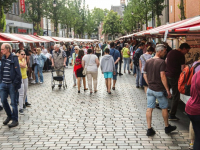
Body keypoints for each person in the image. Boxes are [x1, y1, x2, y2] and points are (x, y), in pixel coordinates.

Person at [143, 44, 177, 136]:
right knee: (164, 107)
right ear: (160, 51)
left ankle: (149, 129)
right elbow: (162, 76)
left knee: (149, 108)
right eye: (165, 51)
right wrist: (167, 90)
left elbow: (144, 74)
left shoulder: (148, 61)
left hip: (150, 89)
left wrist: (149, 83)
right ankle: (167, 127)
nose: (165, 53)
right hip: (159, 90)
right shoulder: (162, 62)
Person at [166, 43, 191, 120]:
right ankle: (172, 115)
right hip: (175, 77)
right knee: (176, 96)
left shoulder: (170, 52)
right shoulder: (181, 55)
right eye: (186, 51)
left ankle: (165, 109)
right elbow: (182, 69)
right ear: (183, 48)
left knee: (168, 93)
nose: (186, 52)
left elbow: (166, 61)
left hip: (168, 75)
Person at [0, 43, 22, 128]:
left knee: (13, 103)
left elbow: (18, 73)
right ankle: (9, 115)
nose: (1, 51)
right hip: (3, 83)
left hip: (11, 84)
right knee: (3, 101)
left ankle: (15, 120)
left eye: (2, 49)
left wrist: (14, 84)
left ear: (8, 49)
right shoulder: (3, 58)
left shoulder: (14, 58)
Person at [185, 70, 200, 150]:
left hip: (191, 108)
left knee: (198, 137)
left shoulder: (197, 73)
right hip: (198, 110)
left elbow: (191, 91)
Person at [18, 50, 28, 115]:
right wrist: (24, 59)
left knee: (25, 92)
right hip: (20, 78)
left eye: (24, 54)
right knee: (21, 93)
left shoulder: (23, 60)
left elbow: (25, 67)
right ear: (19, 54)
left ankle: (24, 103)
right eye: (22, 54)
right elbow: (24, 65)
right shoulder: (18, 61)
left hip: (25, 77)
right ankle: (20, 108)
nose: (23, 55)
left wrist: (24, 60)